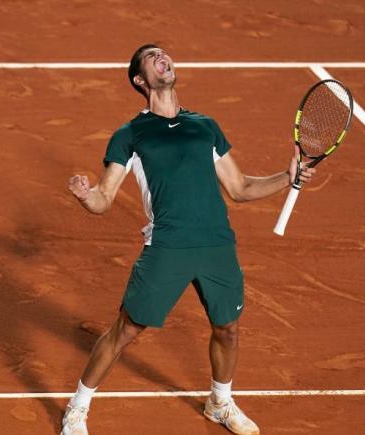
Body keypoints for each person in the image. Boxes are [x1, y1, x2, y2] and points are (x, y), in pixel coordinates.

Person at [62, 44, 315, 435]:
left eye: (164, 53)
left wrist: (287, 176)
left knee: (227, 327)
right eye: (151, 57)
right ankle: (77, 408)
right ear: (140, 80)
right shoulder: (131, 135)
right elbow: (104, 198)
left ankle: (220, 401)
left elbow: (241, 187)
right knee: (126, 330)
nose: (163, 57)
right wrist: (85, 196)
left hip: (216, 243)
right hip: (168, 246)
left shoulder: (205, 127)